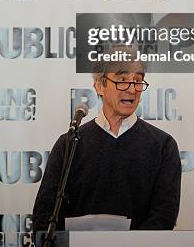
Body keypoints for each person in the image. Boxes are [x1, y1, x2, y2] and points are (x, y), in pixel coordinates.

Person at [32, 58, 181, 235]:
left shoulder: (163, 145)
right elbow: (45, 214)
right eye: (122, 81)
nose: (132, 90)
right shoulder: (70, 143)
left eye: (138, 81)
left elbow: (164, 215)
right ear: (99, 86)